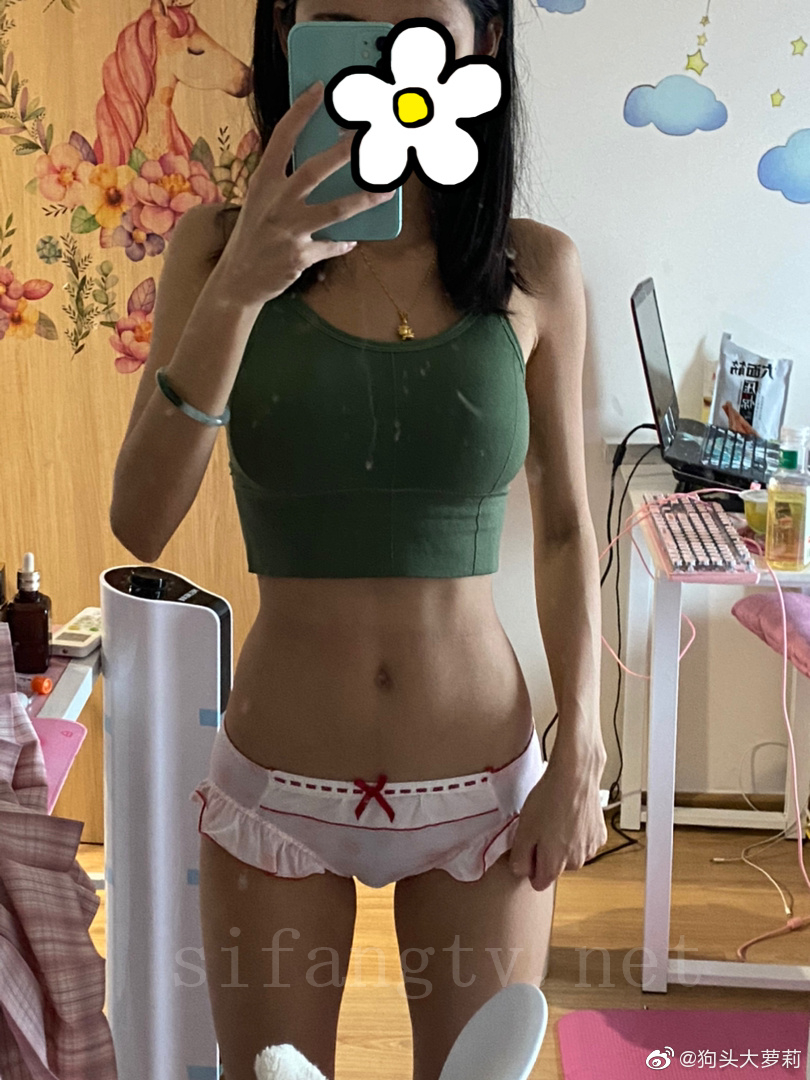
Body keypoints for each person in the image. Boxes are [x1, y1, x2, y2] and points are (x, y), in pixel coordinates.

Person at [110, 0, 608, 1077]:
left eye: (414, 25)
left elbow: (570, 528)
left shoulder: (536, 269)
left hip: (482, 786)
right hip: (278, 785)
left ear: (483, 43)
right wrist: (242, 285)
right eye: (341, 22)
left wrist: (584, 748)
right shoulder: (215, 248)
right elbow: (141, 522)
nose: (380, 63)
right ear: (289, 31)